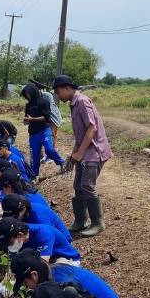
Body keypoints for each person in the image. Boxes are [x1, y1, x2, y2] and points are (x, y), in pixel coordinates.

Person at [53, 75, 113, 237]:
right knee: (78, 186)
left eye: (58, 92)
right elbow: (81, 135)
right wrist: (74, 156)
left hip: (94, 151)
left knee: (87, 186)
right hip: (84, 151)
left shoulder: (81, 101)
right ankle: (80, 221)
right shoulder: (74, 103)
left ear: (66, 88)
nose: (58, 96)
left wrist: (79, 153)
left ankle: (97, 223)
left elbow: (91, 128)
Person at [22, 81, 65, 177]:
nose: (27, 96)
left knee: (49, 150)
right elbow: (27, 119)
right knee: (34, 156)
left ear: (33, 92)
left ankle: (62, 162)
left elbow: (47, 118)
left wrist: (32, 119)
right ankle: (34, 175)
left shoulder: (44, 102)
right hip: (33, 134)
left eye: (28, 93)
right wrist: (26, 121)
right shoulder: (28, 105)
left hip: (44, 131)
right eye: (26, 94)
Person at [0, 217, 80, 264]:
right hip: (43, 258)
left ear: (19, 234)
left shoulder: (43, 233)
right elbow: (13, 262)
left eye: (10, 243)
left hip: (65, 258)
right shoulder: (19, 237)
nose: (9, 246)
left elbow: (42, 264)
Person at [1, 193, 72, 242]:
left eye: (15, 215)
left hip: (60, 240)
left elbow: (49, 236)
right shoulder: (25, 213)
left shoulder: (39, 216)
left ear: (23, 208)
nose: (14, 219)